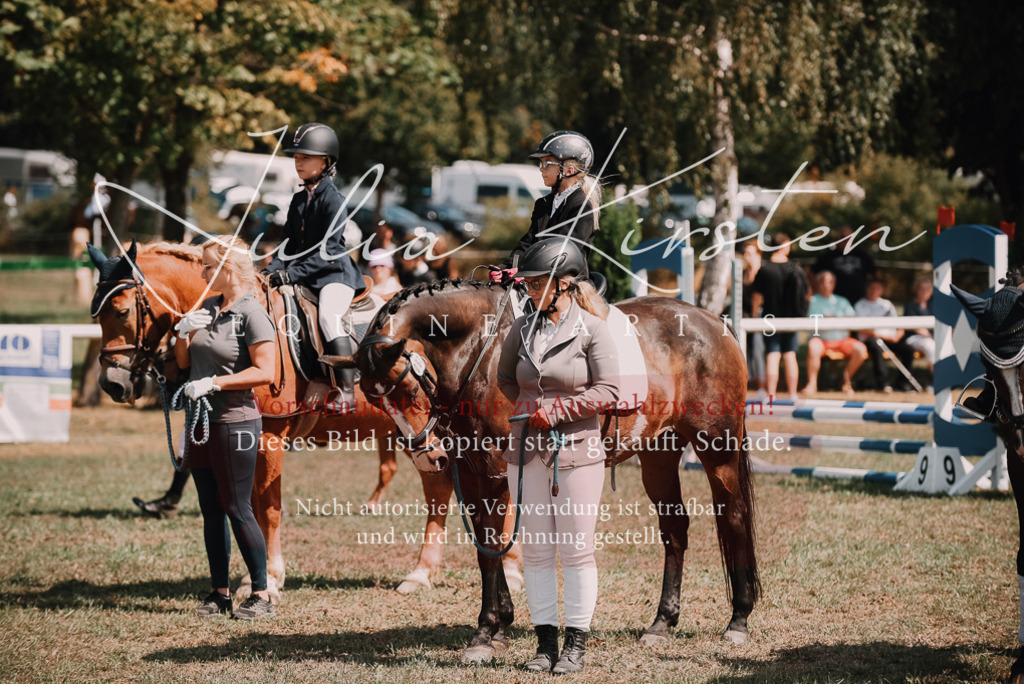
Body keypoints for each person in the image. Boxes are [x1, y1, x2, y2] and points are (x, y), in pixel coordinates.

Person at [496, 238, 620, 674]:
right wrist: (532, 410)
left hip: (577, 453)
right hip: (526, 451)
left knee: (576, 551)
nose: (529, 290)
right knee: (537, 551)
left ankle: (576, 644)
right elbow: (507, 378)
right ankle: (545, 643)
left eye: (537, 283)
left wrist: (560, 411)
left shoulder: (593, 329)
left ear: (564, 285)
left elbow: (608, 390)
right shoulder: (522, 327)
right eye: (527, 283)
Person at [173, 236, 277, 620]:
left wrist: (215, 383)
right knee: (210, 509)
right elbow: (185, 363)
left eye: (206, 265)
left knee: (236, 505)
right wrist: (182, 332)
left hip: (235, 422)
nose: (201, 271)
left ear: (226, 269)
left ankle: (262, 594)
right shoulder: (209, 307)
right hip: (200, 420)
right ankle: (219, 593)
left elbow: (267, 371)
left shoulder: (252, 313)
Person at [261, 122, 364, 407]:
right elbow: (287, 245)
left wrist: (290, 274)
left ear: (325, 161)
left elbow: (328, 252)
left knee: (328, 317)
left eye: (305, 157)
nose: (298, 163)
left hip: (334, 276)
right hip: (304, 276)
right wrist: (270, 271)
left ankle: (347, 390)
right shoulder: (297, 201)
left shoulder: (335, 201)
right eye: (296, 158)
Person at [498, 131, 601, 279]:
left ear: (568, 170)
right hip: (538, 278)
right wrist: (507, 267)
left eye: (546, 163)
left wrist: (524, 270)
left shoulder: (580, 206)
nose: (541, 168)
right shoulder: (542, 204)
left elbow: (563, 253)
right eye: (541, 163)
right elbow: (527, 243)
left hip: (568, 284)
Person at [750, 233, 808, 400]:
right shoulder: (794, 268)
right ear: (783, 246)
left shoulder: (765, 269)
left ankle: (771, 394)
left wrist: (755, 319)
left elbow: (756, 297)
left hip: (770, 318)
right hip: (790, 318)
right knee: (790, 354)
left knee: (773, 354)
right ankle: (792, 393)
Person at [802, 271, 867, 394]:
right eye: (823, 282)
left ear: (834, 284)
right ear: (819, 284)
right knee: (812, 347)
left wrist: (828, 318)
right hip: (821, 340)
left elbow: (852, 319)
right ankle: (812, 384)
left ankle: (845, 381)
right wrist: (834, 319)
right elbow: (812, 321)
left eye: (829, 282)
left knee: (861, 349)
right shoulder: (812, 301)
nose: (826, 285)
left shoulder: (842, 301)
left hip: (841, 340)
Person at [855, 278, 914, 392]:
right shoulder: (860, 305)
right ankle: (883, 383)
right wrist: (885, 337)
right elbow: (863, 330)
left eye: (877, 288)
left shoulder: (887, 304)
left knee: (908, 350)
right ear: (867, 289)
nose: (874, 291)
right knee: (876, 348)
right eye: (871, 288)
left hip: (891, 338)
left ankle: (903, 383)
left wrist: (898, 335)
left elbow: (898, 324)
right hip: (871, 339)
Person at [811, 226, 879, 306]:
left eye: (848, 237)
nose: (846, 240)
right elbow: (811, 274)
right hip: (835, 303)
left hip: (859, 301)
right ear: (837, 239)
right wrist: (818, 291)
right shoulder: (828, 256)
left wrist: (873, 292)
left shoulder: (862, 255)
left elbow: (876, 275)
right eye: (842, 237)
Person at [740, 242, 767, 396]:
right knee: (745, 350)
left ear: (758, 254)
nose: (746, 257)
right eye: (745, 253)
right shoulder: (742, 273)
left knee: (757, 350)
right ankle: (747, 382)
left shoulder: (763, 273)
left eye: (749, 253)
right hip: (744, 317)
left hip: (761, 317)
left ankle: (761, 385)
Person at [901, 278, 935, 377]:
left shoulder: (932, 305)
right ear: (916, 290)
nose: (924, 292)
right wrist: (931, 336)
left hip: (931, 337)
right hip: (914, 338)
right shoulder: (910, 305)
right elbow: (915, 327)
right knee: (930, 346)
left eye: (927, 289)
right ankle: (938, 381)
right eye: (921, 289)